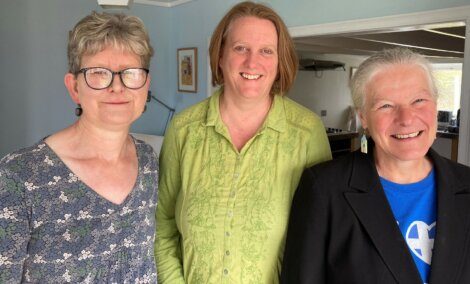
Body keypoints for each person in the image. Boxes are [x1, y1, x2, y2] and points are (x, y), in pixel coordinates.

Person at [155, 1, 331, 283]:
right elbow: (162, 225)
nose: (252, 62)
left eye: (266, 51)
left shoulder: (306, 132)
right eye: (240, 48)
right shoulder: (184, 129)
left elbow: (321, 235)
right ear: (221, 56)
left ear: (278, 61)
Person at [281, 48, 470, 284]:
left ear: (435, 104)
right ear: (363, 118)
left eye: (419, 100)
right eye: (386, 106)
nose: (406, 118)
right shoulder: (324, 189)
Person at [0, 12, 158, 282]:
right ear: (74, 87)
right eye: (98, 73)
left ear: (145, 86)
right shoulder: (19, 177)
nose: (117, 87)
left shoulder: (148, 160)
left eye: (131, 74)